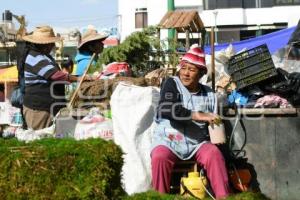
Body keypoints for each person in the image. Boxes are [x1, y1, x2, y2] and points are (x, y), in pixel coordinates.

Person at [151, 46, 230, 199]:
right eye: (184, 68)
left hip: (197, 143)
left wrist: (217, 134)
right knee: (159, 157)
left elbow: (213, 122)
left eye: (192, 70)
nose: (185, 73)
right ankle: (159, 197)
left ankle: (224, 197)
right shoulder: (171, 84)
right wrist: (198, 115)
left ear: (201, 73)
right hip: (169, 141)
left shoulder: (209, 94)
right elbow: (167, 109)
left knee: (214, 155)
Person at [22, 26, 83, 130]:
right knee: (40, 140)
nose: (53, 45)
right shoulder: (35, 57)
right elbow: (56, 75)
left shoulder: (45, 56)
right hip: (39, 109)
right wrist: (78, 79)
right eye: (51, 43)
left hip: (49, 108)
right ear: (43, 44)